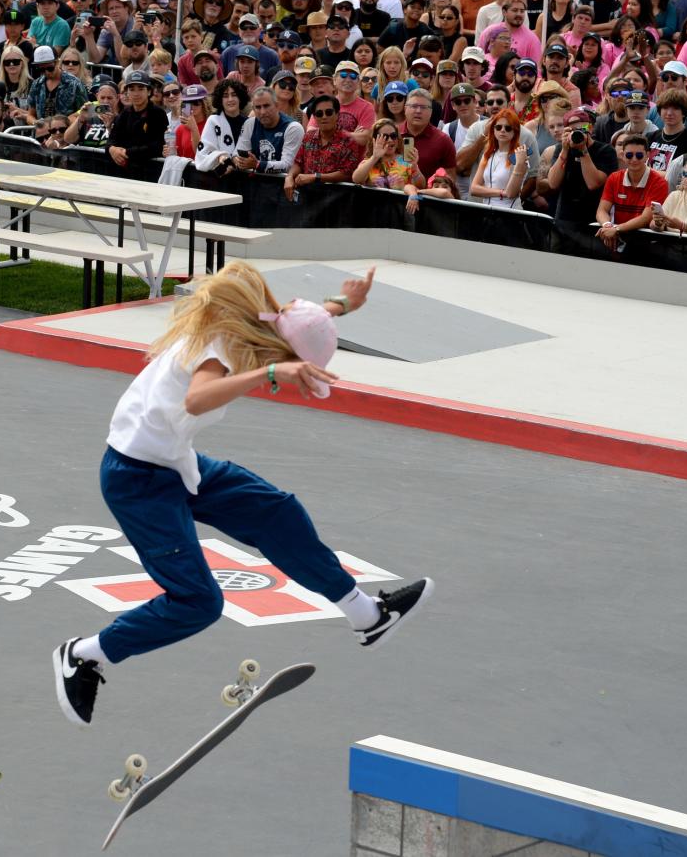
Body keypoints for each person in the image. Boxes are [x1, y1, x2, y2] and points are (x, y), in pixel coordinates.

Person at [51, 262, 433, 726]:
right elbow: (197, 398)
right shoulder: (224, 349)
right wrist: (269, 370)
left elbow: (298, 323)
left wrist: (345, 304)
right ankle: (86, 654)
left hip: (172, 463)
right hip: (138, 480)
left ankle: (367, 615)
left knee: (276, 514)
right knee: (198, 602)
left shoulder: (253, 324)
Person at [545, 107, 619, 223]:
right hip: (565, 219)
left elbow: (593, 183)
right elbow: (553, 183)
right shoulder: (562, 150)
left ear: (591, 127)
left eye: (582, 128)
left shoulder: (606, 150)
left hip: (594, 218)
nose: (578, 133)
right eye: (573, 130)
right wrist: (564, 151)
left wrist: (583, 150)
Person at [596, 133, 669, 248]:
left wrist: (616, 229)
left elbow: (646, 218)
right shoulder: (614, 178)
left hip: (646, 244)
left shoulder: (659, 182)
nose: (634, 159)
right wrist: (607, 225)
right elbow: (602, 210)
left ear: (647, 156)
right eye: (629, 155)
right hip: (616, 239)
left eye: (639, 155)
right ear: (623, 155)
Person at [285, 92, 364, 197]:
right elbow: (298, 162)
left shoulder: (348, 141)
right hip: (307, 198)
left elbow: (346, 174)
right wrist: (289, 177)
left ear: (337, 115)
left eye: (329, 112)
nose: (324, 116)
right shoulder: (308, 137)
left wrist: (315, 177)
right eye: (319, 113)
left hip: (335, 199)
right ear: (314, 117)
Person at [107, 70, 168, 169]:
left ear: (148, 91)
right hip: (124, 170)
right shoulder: (124, 114)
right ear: (127, 92)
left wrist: (127, 152)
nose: (136, 93)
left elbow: (158, 145)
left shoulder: (158, 113)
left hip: (149, 170)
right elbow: (112, 138)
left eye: (140, 89)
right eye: (132, 89)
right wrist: (112, 149)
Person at [470, 106, 530, 207]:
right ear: (493, 130)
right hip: (487, 212)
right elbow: (474, 189)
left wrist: (520, 164)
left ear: (515, 132)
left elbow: (511, 193)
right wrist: (501, 192)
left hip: (509, 215)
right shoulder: (488, 154)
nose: (502, 130)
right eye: (498, 127)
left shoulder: (519, 155)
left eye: (508, 128)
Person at [236, 86, 305, 173]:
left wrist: (257, 164)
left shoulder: (293, 128)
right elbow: (237, 154)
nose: (263, 112)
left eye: (266, 106)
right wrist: (238, 161)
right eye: (258, 107)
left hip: (281, 184)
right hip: (254, 183)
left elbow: (288, 165)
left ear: (277, 106)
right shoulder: (249, 124)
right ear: (253, 109)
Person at [195, 77, 250, 173]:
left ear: (240, 98)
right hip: (217, 179)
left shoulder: (249, 123)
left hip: (246, 179)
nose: (230, 99)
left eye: (234, 95)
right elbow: (203, 153)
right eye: (225, 96)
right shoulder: (213, 120)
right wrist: (220, 156)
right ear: (220, 99)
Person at [27, 44, 87, 119]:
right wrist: (36, 123)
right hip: (42, 129)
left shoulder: (74, 83)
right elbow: (30, 114)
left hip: (67, 129)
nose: (46, 72)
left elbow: (83, 111)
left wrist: (66, 122)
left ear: (57, 63)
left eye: (50, 68)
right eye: (41, 70)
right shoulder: (36, 84)